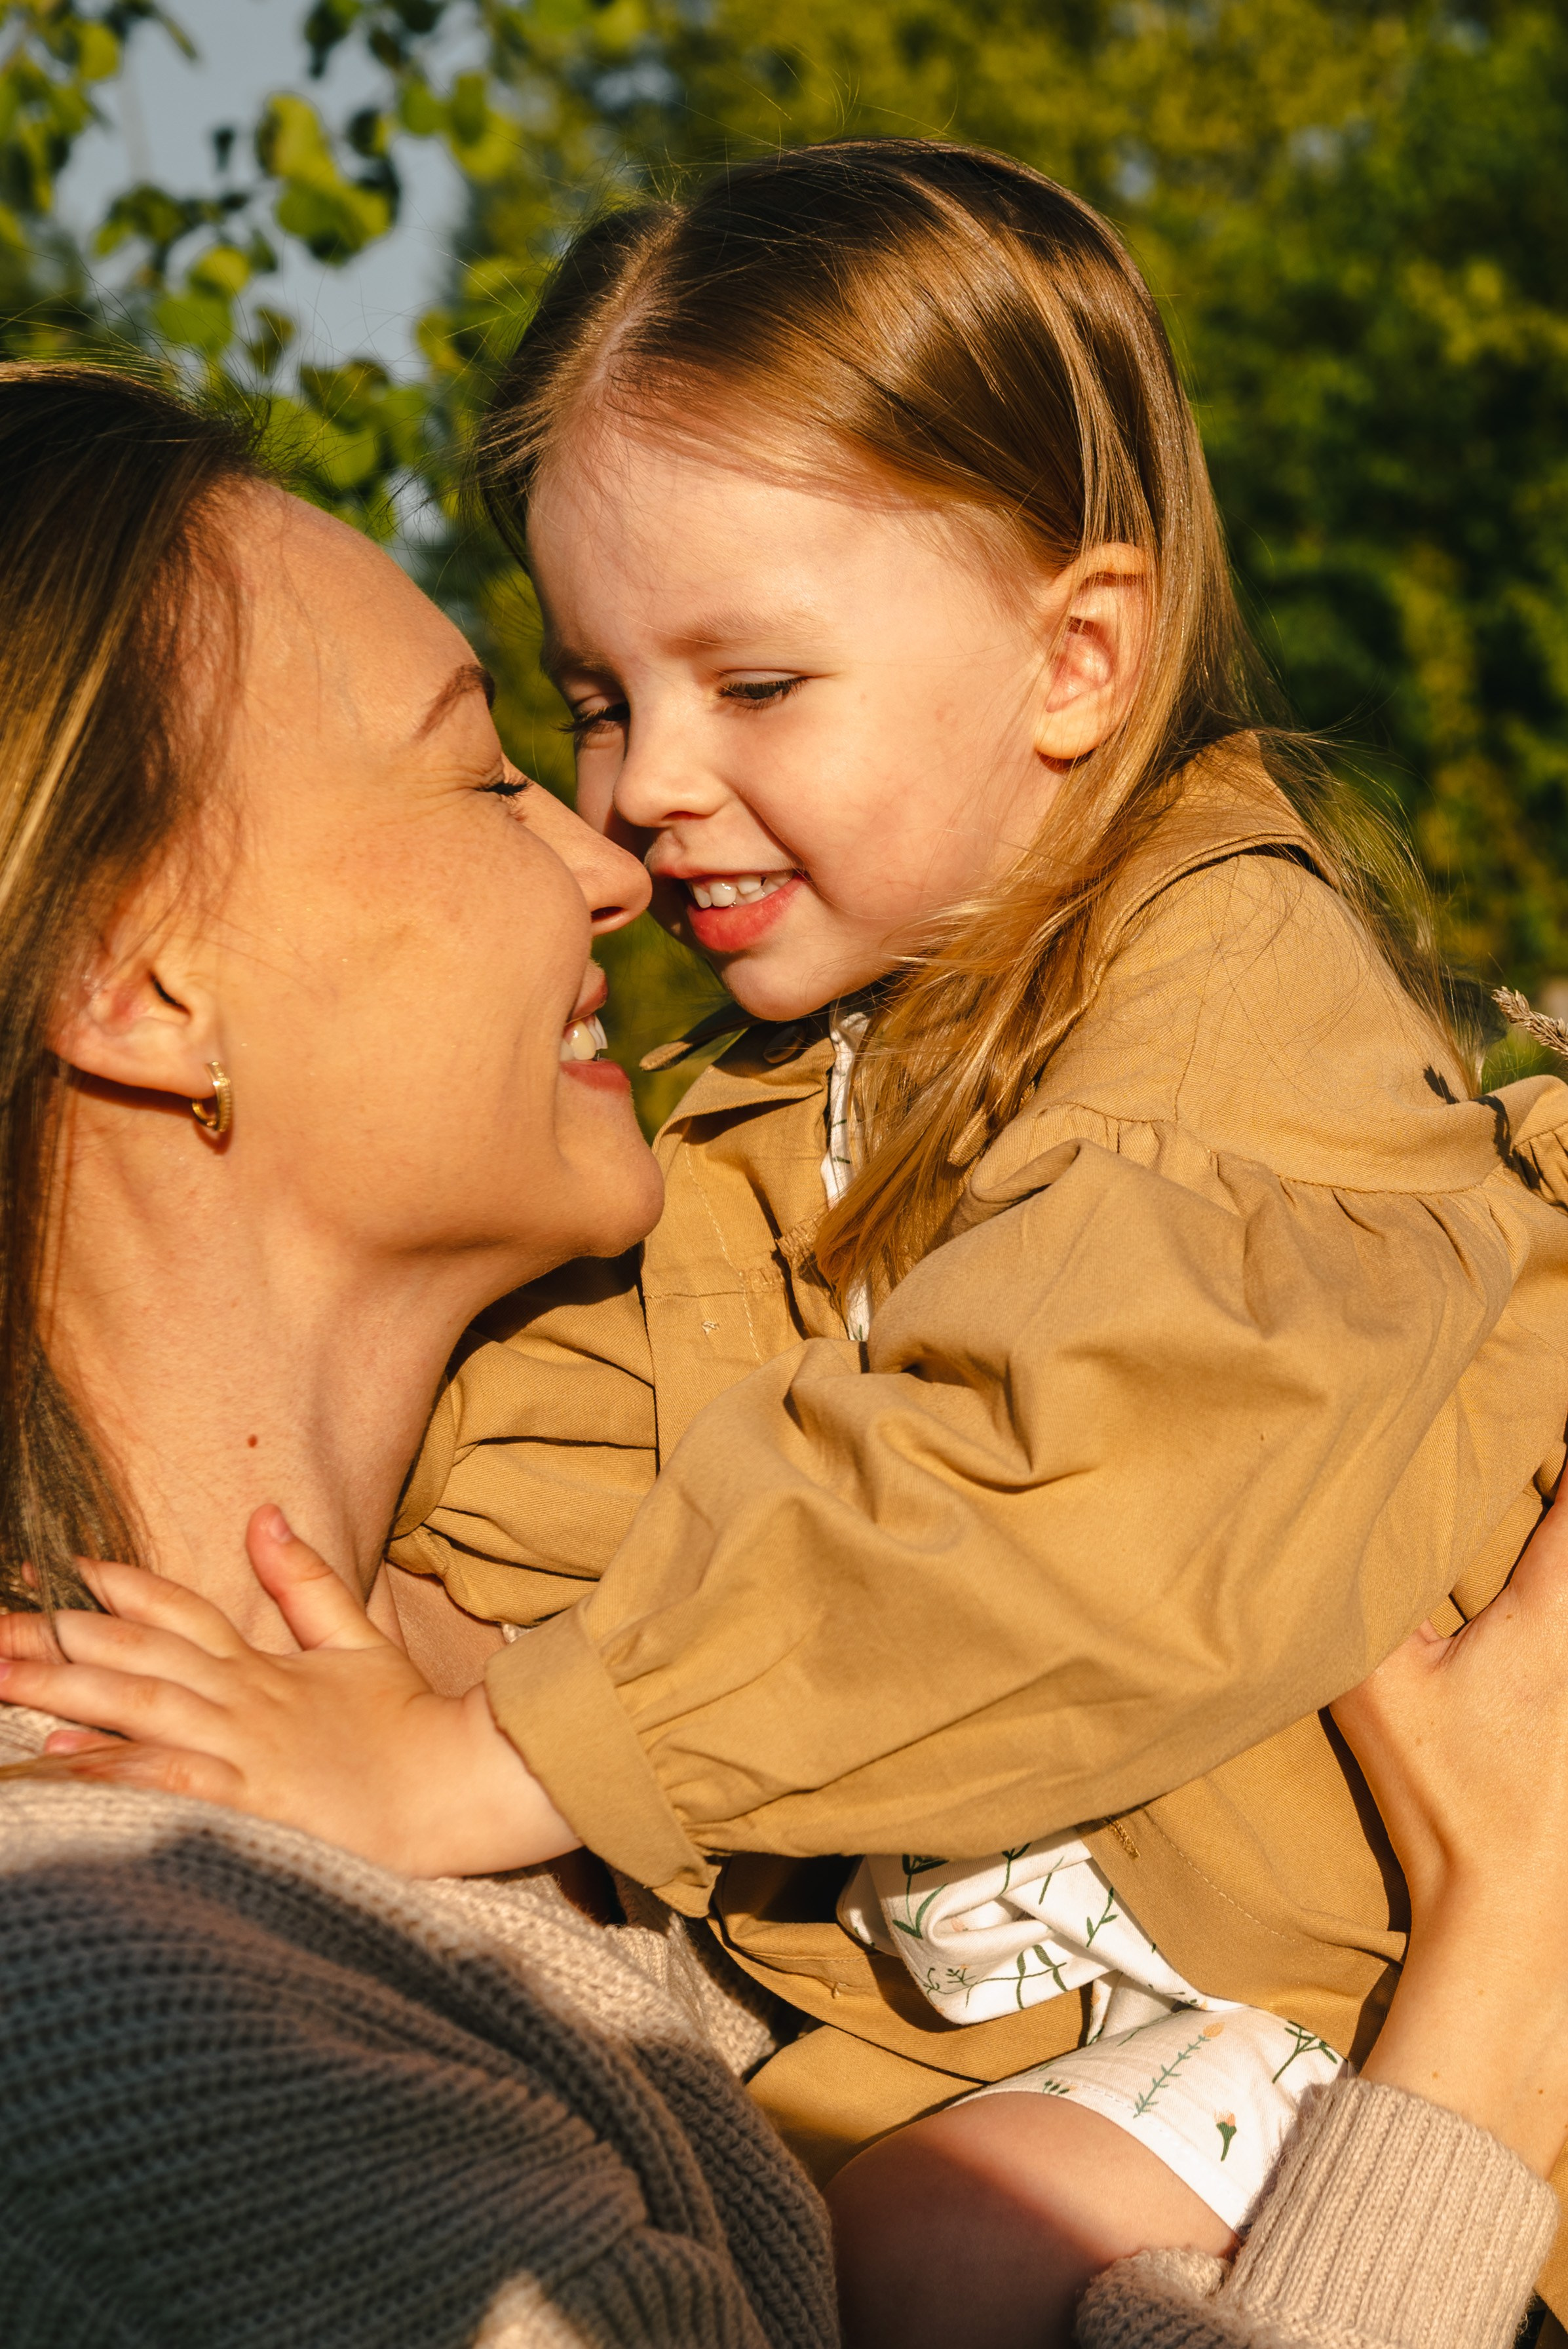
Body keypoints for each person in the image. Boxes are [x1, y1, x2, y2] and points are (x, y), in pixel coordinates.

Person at [9, 143, 1568, 2335]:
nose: (630, 810)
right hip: (1272, 2008)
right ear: (138, 983)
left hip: (1314, 1964)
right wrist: (378, 1669)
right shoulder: (761, 1115)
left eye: (750, 687)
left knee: (924, 2242)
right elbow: (585, 1473)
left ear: (1077, 660)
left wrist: (461, 1760)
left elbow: (1076, 1467)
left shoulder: (1212, 990)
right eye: (565, 717)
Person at [0, 355, 835, 2346]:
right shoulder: (128, 2019)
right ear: (139, 977)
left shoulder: (602, 1642)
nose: (615, 864)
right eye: (481, 778)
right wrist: (1505, 1977)